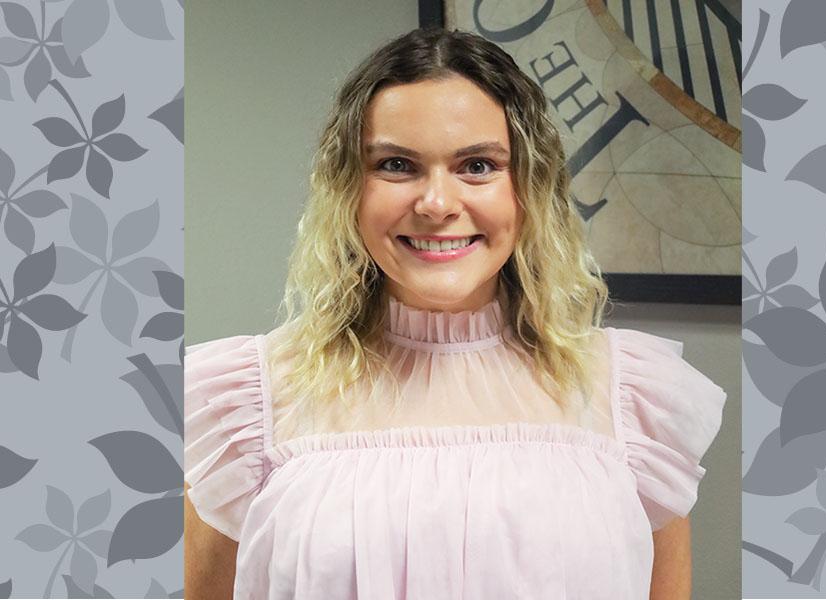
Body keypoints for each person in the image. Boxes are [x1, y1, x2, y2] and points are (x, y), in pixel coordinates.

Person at [184, 27, 726, 600]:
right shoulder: (248, 404)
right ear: (348, 189)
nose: (438, 204)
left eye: (477, 166)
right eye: (396, 164)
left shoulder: (630, 397)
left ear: (528, 186)